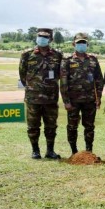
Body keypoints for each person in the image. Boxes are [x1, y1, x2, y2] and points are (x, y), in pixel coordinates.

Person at [19, 28, 63, 159]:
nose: (42, 39)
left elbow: (61, 74)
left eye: (45, 37)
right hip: (33, 98)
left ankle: (50, 151)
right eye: (40, 36)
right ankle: (35, 150)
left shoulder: (57, 55)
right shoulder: (27, 54)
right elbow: (22, 75)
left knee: (51, 126)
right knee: (33, 126)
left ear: (51, 39)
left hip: (50, 98)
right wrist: (33, 87)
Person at [60, 33, 104, 155]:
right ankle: (74, 151)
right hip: (73, 101)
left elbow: (99, 80)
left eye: (83, 43)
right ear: (74, 44)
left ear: (87, 44)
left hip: (90, 100)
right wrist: (66, 101)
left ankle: (89, 151)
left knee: (89, 126)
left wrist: (98, 97)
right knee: (72, 126)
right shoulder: (67, 60)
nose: (81, 45)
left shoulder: (93, 60)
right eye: (79, 43)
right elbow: (63, 82)